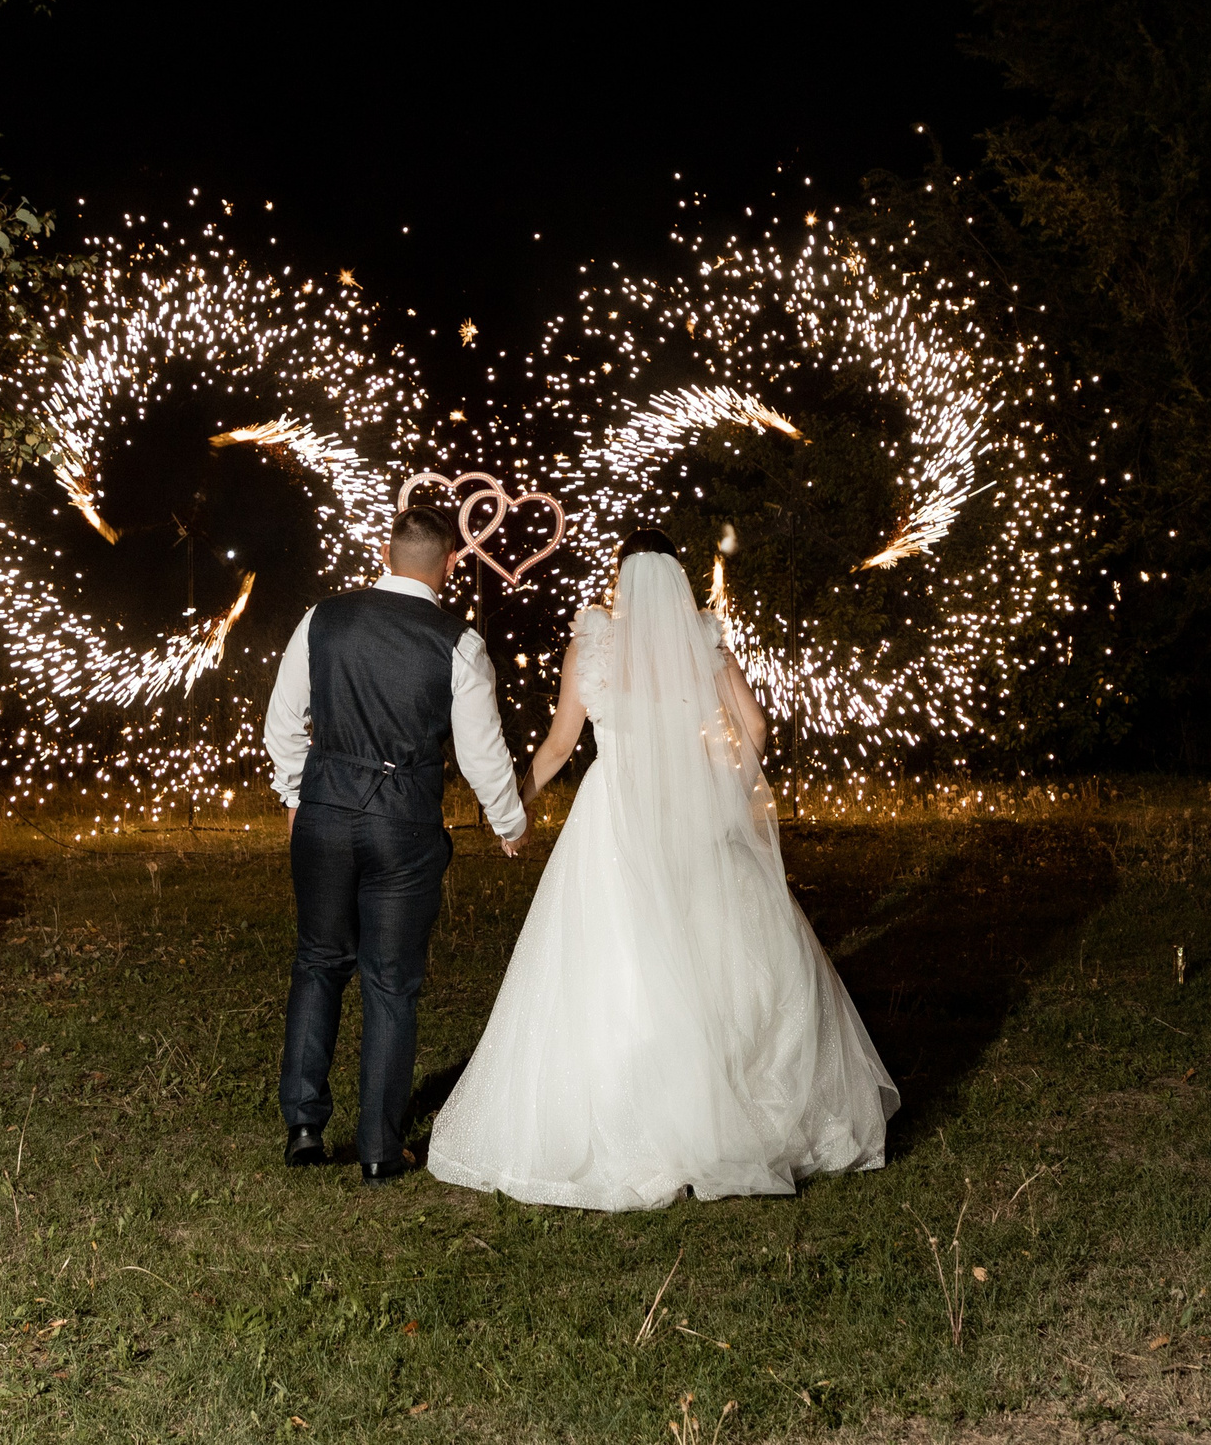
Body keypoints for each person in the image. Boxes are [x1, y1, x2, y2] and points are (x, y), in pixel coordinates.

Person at [426, 529, 898, 1211]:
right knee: (712, 948)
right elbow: (756, 728)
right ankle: (723, 1107)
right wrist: (724, 789)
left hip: (615, 811)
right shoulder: (703, 641)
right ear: (677, 579)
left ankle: (633, 1108)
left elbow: (559, 744)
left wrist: (517, 805)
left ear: (620, 578)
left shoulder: (593, 645)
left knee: (617, 949)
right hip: (692, 810)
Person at [263, 505, 530, 1182]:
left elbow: (283, 720)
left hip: (325, 812)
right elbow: (481, 752)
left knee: (318, 961)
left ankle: (304, 1125)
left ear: (386, 553)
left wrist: (295, 795)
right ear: (451, 564)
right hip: (403, 824)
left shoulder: (322, 618)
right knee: (390, 982)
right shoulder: (459, 643)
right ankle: (380, 1149)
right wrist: (509, 822)